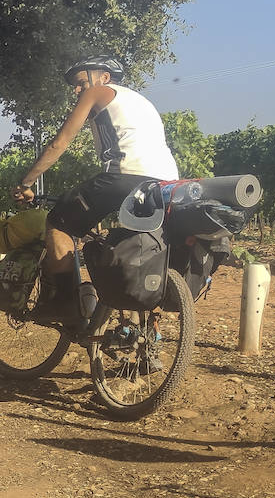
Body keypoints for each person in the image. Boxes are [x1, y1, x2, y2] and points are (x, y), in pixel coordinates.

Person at [12, 54, 179, 325]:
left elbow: (60, 142)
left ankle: (64, 304)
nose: (77, 90)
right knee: (133, 246)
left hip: (126, 177)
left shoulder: (98, 92)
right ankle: (142, 337)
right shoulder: (141, 101)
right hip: (166, 184)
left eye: (80, 82)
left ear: (103, 77)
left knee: (58, 221)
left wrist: (26, 183)